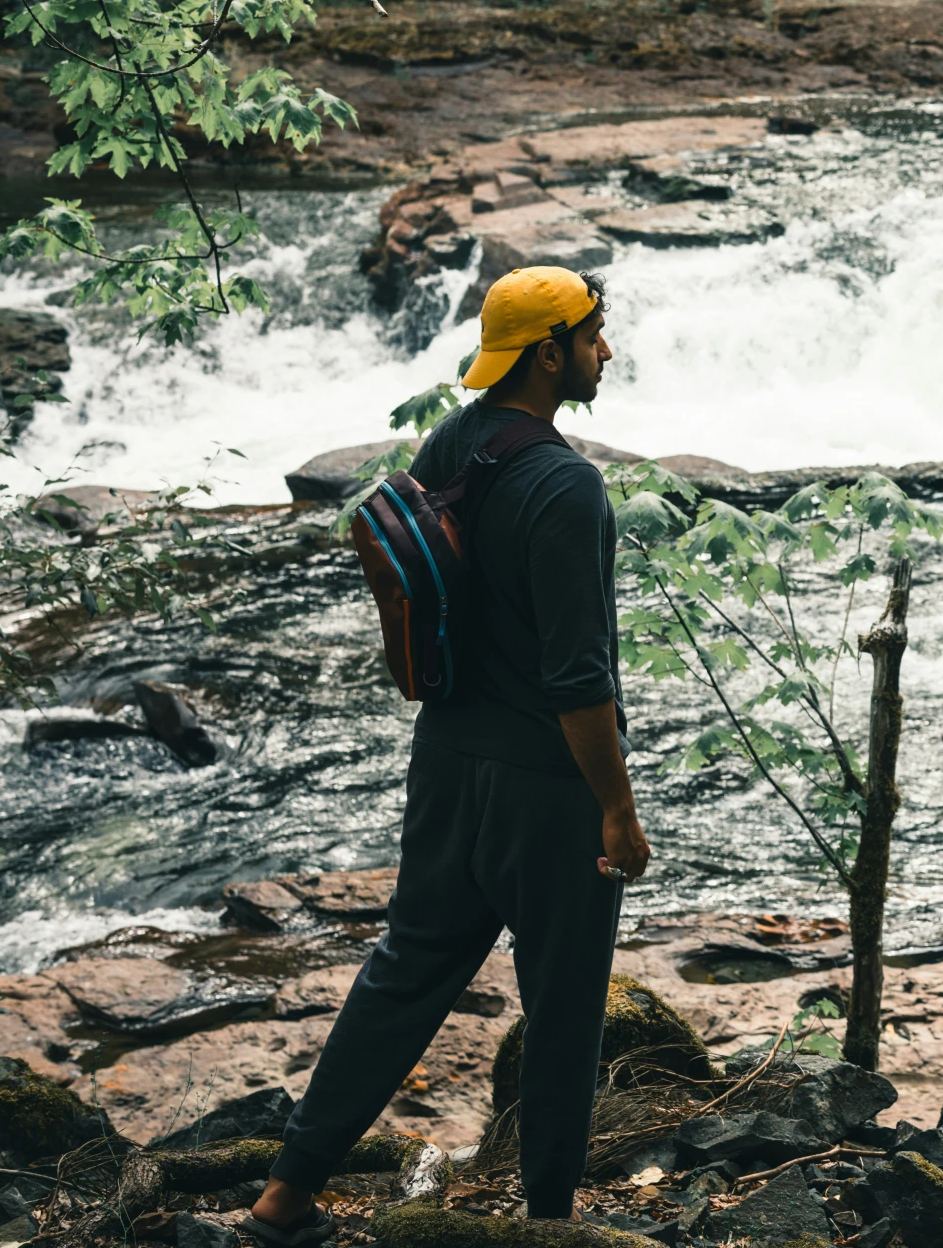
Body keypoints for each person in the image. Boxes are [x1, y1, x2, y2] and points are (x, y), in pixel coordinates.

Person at [249, 265, 651, 1244]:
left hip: (446, 766)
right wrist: (618, 809)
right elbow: (579, 679)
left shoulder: (455, 442)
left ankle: (283, 1196)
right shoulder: (568, 487)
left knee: (403, 977)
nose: (607, 351)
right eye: (595, 335)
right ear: (549, 351)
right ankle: (550, 1224)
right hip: (548, 793)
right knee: (563, 1014)